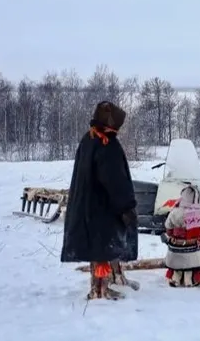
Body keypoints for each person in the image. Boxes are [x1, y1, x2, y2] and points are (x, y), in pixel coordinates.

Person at [60, 100, 139, 300]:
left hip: (88, 207)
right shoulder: (106, 144)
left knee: (99, 249)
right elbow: (115, 181)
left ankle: (105, 282)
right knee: (102, 249)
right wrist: (126, 207)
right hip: (102, 209)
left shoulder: (89, 139)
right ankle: (100, 290)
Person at [161, 185, 200, 287]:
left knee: (178, 264)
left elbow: (168, 226)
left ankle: (176, 278)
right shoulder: (199, 214)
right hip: (194, 248)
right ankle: (190, 280)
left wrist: (171, 235)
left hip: (177, 247)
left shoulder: (175, 211)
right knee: (191, 263)